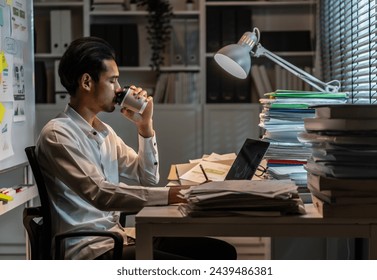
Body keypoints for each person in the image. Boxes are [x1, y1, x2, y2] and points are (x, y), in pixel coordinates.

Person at [35, 36, 237, 260]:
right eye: (112, 81)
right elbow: (100, 194)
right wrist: (174, 195)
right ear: (86, 82)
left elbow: (147, 177)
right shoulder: (58, 134)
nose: (119, 89)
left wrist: (145, 127)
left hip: (118, 238)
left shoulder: (105, 132)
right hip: (91, 250)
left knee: (220, 252)